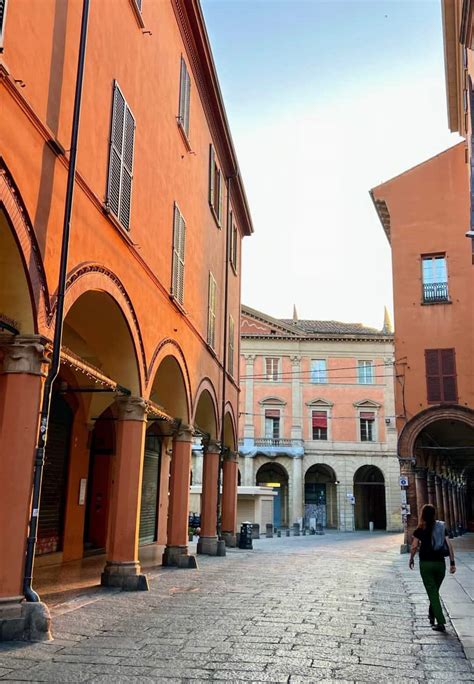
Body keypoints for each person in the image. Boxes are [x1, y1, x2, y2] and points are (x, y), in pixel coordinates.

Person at [409, 503, 456, 632]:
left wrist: (411, 558)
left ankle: (440, 622)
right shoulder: (441, 527)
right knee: (434, 591)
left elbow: (413, 546)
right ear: (434, 514)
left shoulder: (420, 529)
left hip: (426, 564)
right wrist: (452, 563)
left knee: (432, 593)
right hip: (440, 565)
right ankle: (431, 613)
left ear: (422, 515)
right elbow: (449, 545)